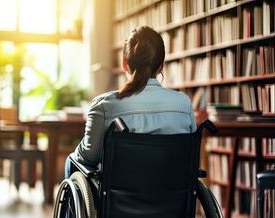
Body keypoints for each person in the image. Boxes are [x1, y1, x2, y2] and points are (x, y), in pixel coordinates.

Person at [65, 25, 197, 178]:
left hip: (120, 199)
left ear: (124, 64)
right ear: (161, 66)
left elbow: (88, 157)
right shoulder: (184, 104)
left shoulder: (104, 106)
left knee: (71, 161)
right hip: (172, 197)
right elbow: (189, 157)